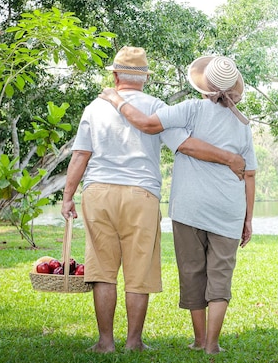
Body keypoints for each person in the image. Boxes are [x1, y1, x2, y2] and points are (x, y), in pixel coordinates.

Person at [60, 47, 246, 354]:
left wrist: (68, 197)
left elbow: (81, 154)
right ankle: (134, 342)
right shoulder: (155, 106)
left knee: (103, 271)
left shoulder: (95, 106)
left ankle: (105, 342)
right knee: (139, 271)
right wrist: (229, 158)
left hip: (98, 192)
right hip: (141, 194)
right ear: (144, 78)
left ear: (116, 75)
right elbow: (186, 145)